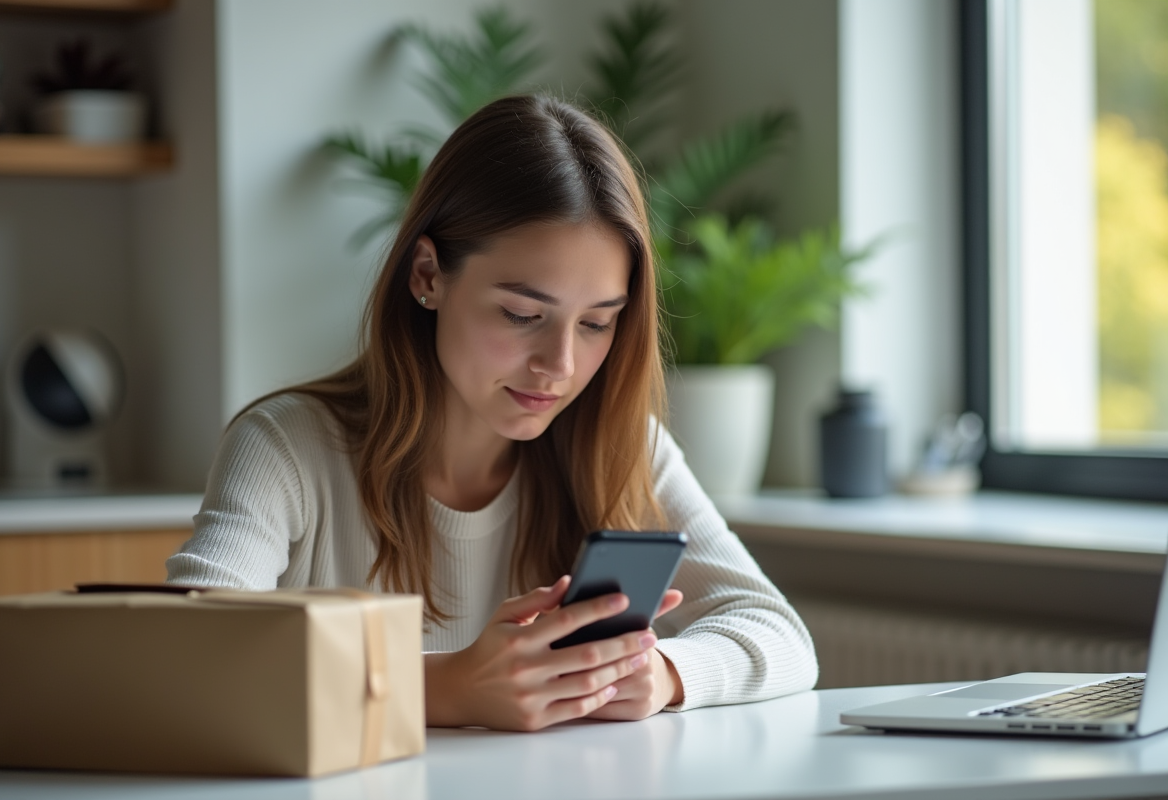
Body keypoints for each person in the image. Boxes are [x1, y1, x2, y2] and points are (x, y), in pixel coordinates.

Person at [166, 94, 818, 731]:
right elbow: (181, 651)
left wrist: (662, 674)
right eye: (522, 314)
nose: (560, 364)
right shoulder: (286, 446)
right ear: (427, 275)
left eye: (596, 323)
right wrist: (445, 688)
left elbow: (780, 633)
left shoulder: (624, 445)